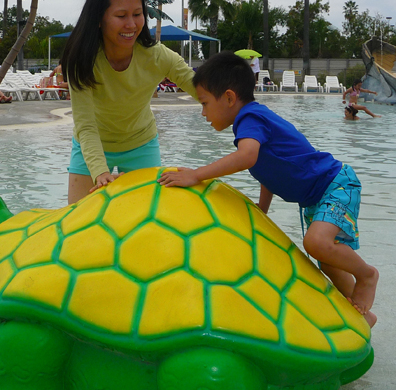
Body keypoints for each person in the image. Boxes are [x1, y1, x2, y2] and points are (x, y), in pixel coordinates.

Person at [158, 52, 378, 326]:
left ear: (228, 98)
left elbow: (247, 157)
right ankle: (360, 316)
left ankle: (367, 275)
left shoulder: (249, 119)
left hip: (335, 183)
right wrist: (262, 209)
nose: (203, 113)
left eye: (204, 103)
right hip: (316, 196)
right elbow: (269, 169)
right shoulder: (252, 121)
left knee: (316, 243)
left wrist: (196, 175)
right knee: (327, 260)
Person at [61, 0, 198, 204]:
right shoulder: (82, 60)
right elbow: (85, 125)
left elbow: (201, 89)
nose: (131, 24)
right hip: (92, 146)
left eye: (137, 14)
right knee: (76, 222)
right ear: (99, 18)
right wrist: (100, 173)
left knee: (143, 224)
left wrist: (241, 111)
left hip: (140, 143)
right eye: (121, 15)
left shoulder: (157, 56)